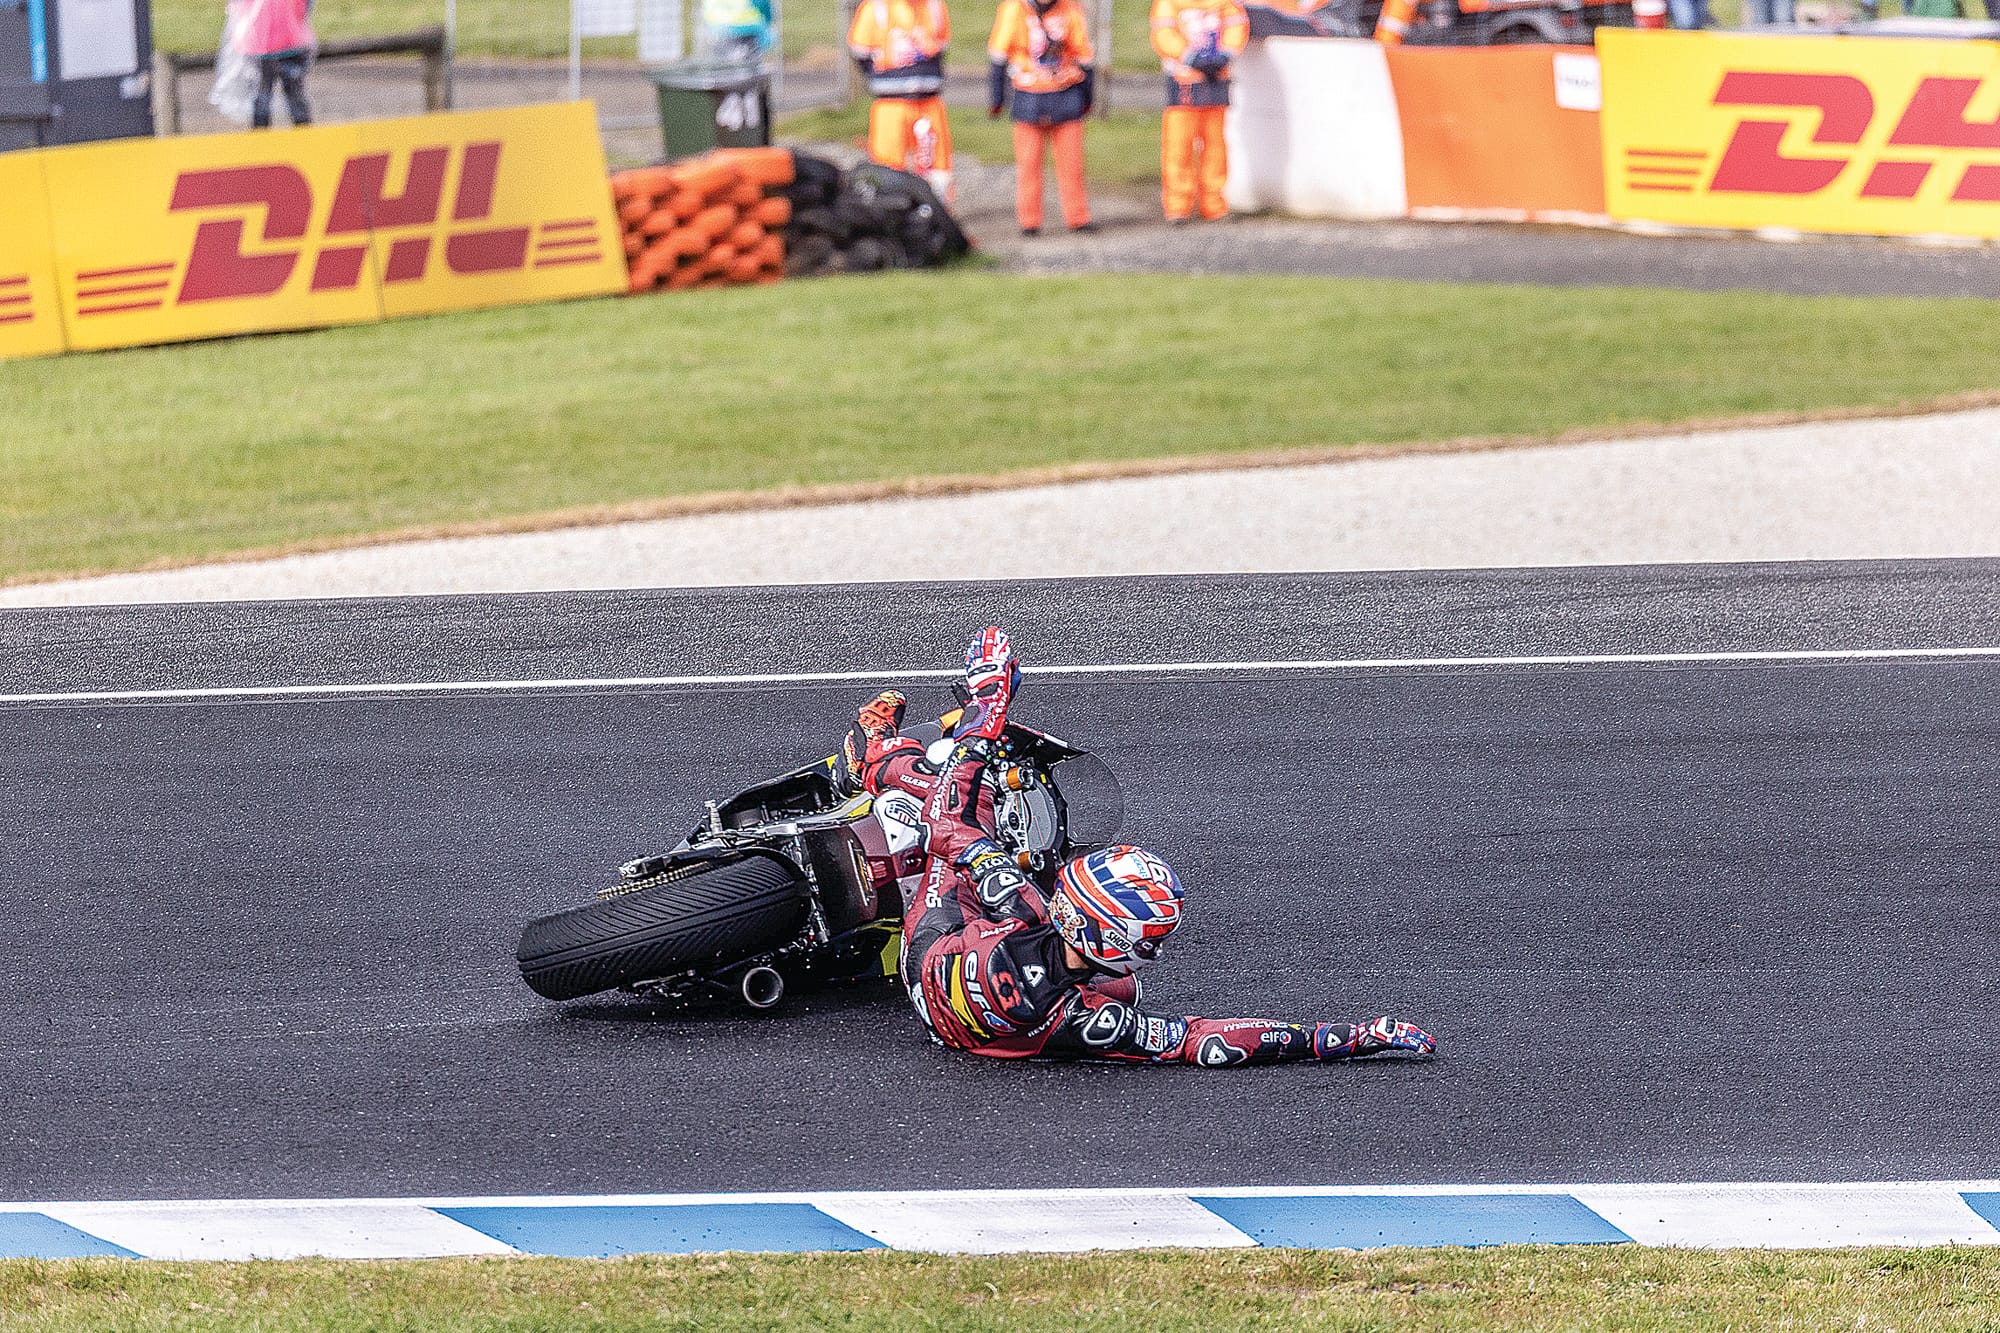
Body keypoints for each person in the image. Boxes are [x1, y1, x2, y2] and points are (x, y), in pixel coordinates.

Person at [836, 628, 1437, 1067]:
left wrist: (988, 705)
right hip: (962, 1029)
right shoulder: (1098, 1018)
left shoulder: (1024, 908)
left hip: (933, 953)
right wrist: (1351, 1035)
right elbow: (1211, 1039)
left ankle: (879, 756)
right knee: (1123, 988)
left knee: (962, 818)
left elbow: (953, 827)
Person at [987, 0, 1097, 237]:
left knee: (1072, 165)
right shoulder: (1013, 9)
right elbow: (998, 55)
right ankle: (1029, 222)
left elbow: (1085, 56)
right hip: (1028, 98)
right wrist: (996, 100)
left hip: (1066, 96)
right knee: (1028, 165)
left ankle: (1078, 218)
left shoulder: (1070, 9)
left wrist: (1087, 99)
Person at [1149, 0, 1247, 224]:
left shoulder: (1227, 3)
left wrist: (1225, 55)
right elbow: (1163, 33)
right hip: (1183, 83)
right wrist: (1190, 57)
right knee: (1178, 147)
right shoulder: (1167, 3)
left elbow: (1237, 25)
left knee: (1216, 147)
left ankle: (1214, 205)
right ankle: (1177, 206)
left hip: (1216, 81)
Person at [848, 0, 955, 202]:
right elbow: (859, 52)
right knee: (887, 168)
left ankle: (937, 218)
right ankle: (890, 218)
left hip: (929, 103)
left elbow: (942, 45)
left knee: (936, 170)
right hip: (890, 105)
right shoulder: (876, 7)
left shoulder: (934, 5)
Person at [229, 0, 315, 130]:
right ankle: (303, 132)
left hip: (260, 41)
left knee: (262, 93)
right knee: (293, 92)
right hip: (290, 38)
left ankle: (261, 136)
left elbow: (237, 6)